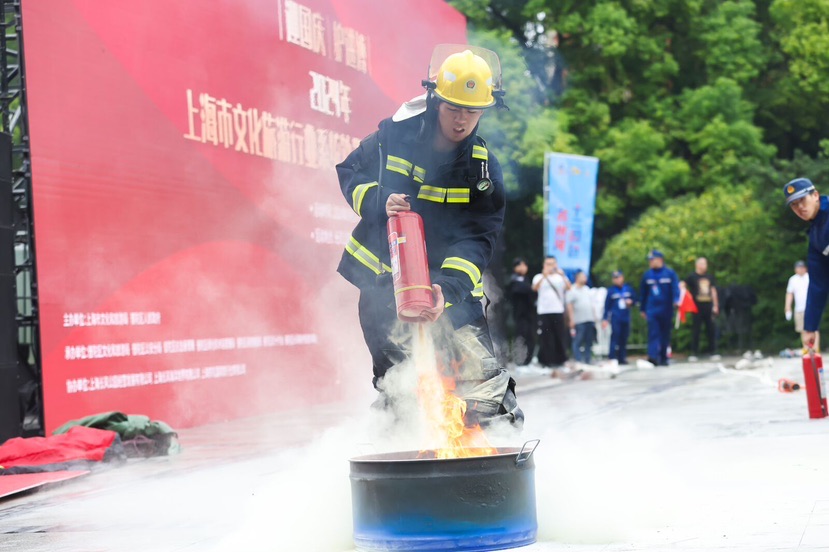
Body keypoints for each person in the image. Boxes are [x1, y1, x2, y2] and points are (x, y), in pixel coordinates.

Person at [335, 45, 522, 427]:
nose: (461, 120)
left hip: (449, 291)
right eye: (454, 108)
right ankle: (401, 467)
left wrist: (446, 289)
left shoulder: (482, 169)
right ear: (436, 100)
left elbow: (478, 237)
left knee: (484, 394)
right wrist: (378, 201)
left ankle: (493, 472)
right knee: (400, 389)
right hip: (383, 283)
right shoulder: (394, 138)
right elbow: (350, 170)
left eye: (472, 111)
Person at [783, 177, 829, 350]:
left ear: (815, 195)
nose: (799, 207)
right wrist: (809, 327)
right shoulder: (816, 237)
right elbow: (818, 285)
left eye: (802, 200)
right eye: (794, 205)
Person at [639, 250, 680, 366]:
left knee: (665, 333)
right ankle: (652, 356)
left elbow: (675, 289)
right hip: (652, 309)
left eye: (652, 260)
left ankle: (663, 357)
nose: (651, 262)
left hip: (666, 308)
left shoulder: (669, 274)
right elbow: (643, 293)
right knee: (653, 333)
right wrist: (642, 309)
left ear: (660, 260)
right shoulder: (647, 275)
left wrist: (676, 300)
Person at [532, 256, 571, 367]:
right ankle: (546, 361)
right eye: (548, 264)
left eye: (552, 264)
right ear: (544, 265)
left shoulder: (560, 277)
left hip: (557, 310)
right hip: (544, 311)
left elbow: (569, 288)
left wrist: (562, 275)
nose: (550, 266)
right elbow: (534, 288)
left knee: (559, 335)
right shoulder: (538, 277)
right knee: (546, 337)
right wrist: (544, 276)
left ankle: (561, 360)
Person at [685, 257, 720, 361]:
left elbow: (713, 291)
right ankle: (694, 352)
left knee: (711, 329)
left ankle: (713, 351)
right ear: (698, 265)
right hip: (696, 307)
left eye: (706, 263)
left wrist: (715, 305)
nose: (705, 266)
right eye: (703, 263)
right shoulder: (692, 276)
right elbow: (683, 285)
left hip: (708, 306)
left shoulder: (709, 277)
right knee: (696, 330)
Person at [506, 258, 535, 366]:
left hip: (529, 313)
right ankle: (519, 362)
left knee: (530, 337)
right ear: (515, 267)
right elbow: (518, 290)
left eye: (525, 265)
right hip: (519, 314)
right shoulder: (513, 279)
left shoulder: (526, 279)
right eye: (520, 265)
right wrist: (530, 289)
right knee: (520, 338)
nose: (523, 267)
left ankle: (528, 361)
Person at [602, 270, 634, 365]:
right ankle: (612, 357)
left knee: (624, 338)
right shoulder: (611, 291)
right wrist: (605, 319)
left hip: (626, 316)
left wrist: (631, 302)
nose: (617, 280)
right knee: (615, 337)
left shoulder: (628, 289)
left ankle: (622, 358)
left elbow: (635, 300)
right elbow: (607, 306)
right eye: (615, 278)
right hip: (616, 317)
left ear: (622, 278)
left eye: (618, 277)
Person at [784, 260, 817, 348]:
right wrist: (787, 307)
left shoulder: (810, 277)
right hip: (799, 308)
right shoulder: (793, 279)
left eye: (802, 268)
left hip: (810, 307)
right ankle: (806, 349)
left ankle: (815, 349)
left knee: (814, 328)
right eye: (799, 268)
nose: (800, 270)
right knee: (802, 330)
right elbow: (789, 293)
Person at [566, 270, 596, 365]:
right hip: (579, 320)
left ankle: (588, 359)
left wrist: (594, 317)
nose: (585, 278)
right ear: (577, 278)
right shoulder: (572, 289)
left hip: (589, 318)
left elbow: (591, 304)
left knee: (589, 341)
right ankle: (578, 360)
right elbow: (569, 306)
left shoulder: (587, 289)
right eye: (583, 276)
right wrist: (571, 319)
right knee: (578, 340)